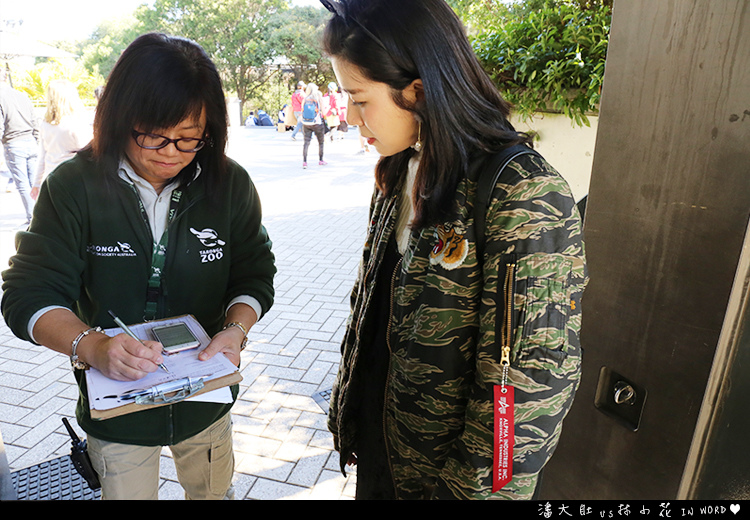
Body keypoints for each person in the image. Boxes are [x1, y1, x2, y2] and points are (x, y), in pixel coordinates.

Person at [321, 0, 587, 500]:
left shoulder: (521, 191)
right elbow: (378, 309)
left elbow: (529, 383)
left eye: (359, 99)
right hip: (387, 451)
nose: (352, 119)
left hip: (450, 483)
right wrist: (352, 413)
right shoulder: (403, 164)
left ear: (417, 91)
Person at [1, 33, 276, 500]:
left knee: (213, 493)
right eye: (153, 134)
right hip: (118, 409)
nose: (170, 153)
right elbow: (28, 294)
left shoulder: (229, 184)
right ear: (119, 116)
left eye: (190, 139)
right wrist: (93, 346)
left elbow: (255, 272)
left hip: (204, 399)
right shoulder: (74, 186)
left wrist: (236, 331)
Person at [31, 79, 93, 201]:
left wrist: (37, 184)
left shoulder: (46, 124)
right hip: (75, 180)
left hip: (52, 178)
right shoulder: (78, 124)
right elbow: (89, 154)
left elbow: (42, 157)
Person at [0, 68, 39, 227]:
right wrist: (35, 139)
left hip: (14, 143)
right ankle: (40, 216)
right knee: (34, 182)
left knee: (22, 183)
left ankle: (33, 219)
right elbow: (34, 120)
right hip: (30, 141)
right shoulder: (22, 95)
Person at [300, 83, 327, 169]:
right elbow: (324, 112)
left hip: (306, 123)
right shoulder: (318, 97)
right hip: (317, 122)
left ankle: (304, 162)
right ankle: (321, 160)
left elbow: (302, 110)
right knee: (321, 142)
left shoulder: (305, 98)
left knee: (306, 142)